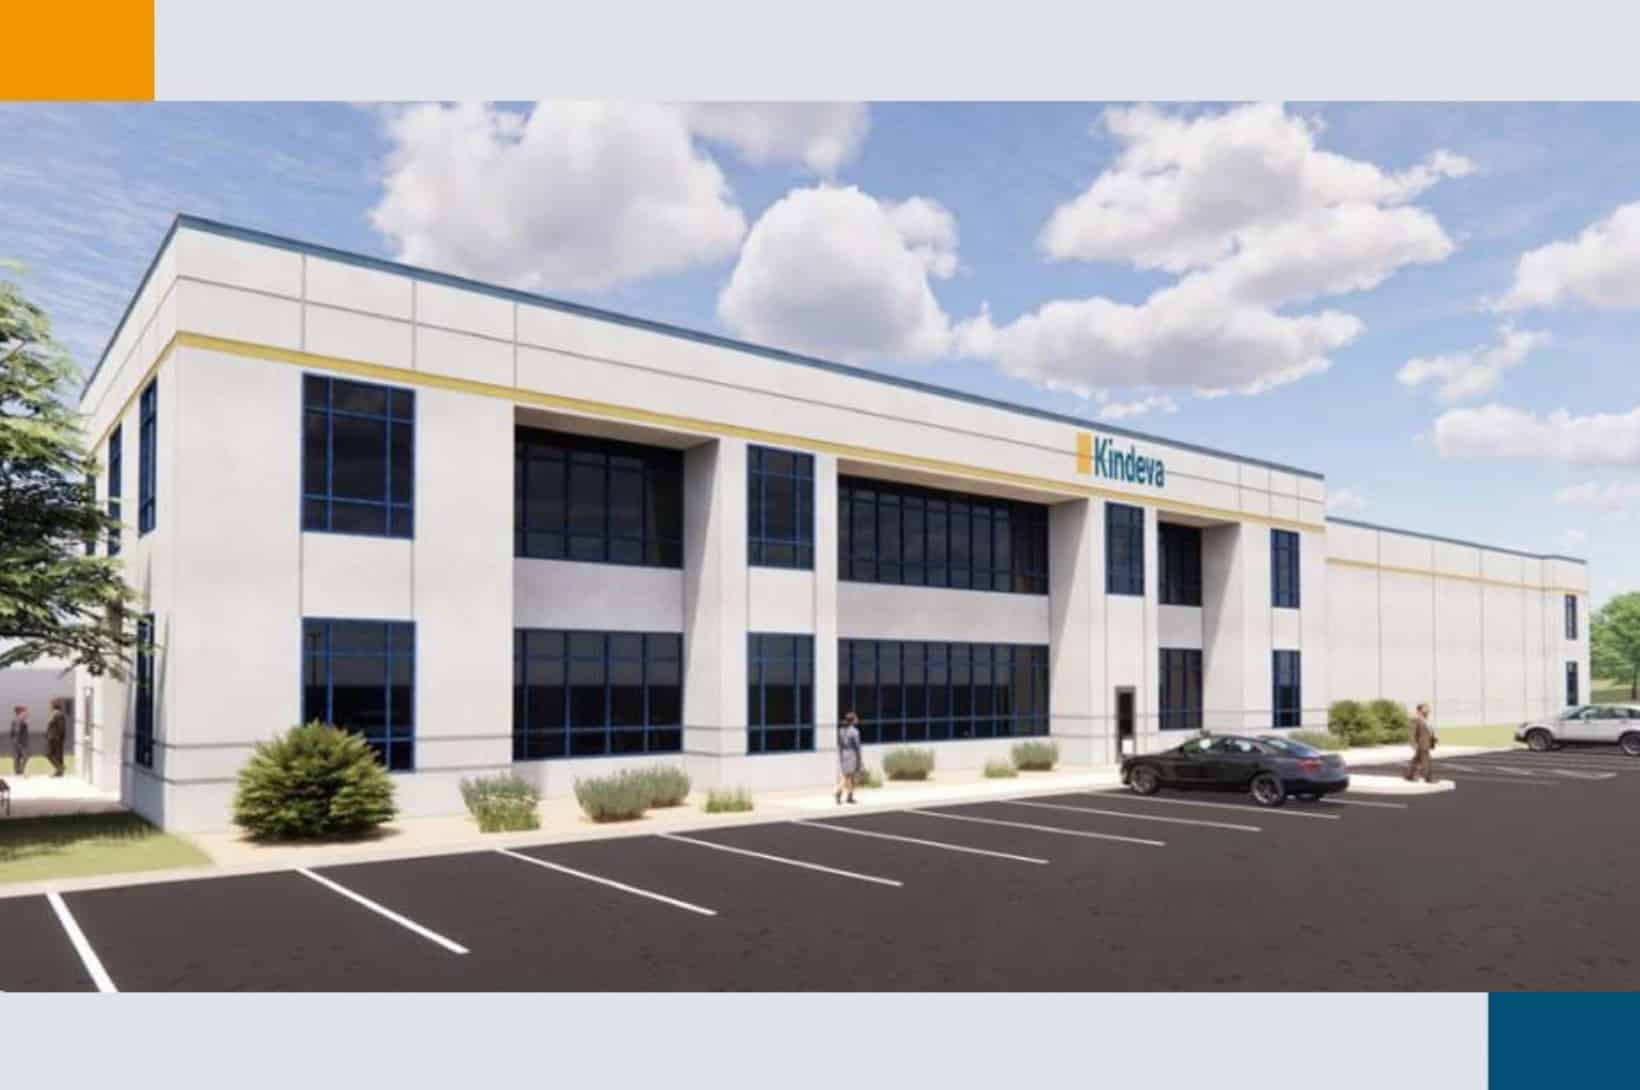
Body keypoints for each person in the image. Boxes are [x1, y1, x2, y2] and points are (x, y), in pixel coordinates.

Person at [835, 711, 864, 805]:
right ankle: (838, 792)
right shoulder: (854, 732)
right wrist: (860, 759)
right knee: (847, 776)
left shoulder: (841, 730)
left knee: (850, 777)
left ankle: (850, 796)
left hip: (844, 754)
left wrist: (841, 755)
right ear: (853, 720)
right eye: (856, 718)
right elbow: (857, 746)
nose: (857, 719)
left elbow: (839, 744)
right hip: (852, 754)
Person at [1406, 702, 1437, 783]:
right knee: (1426, 761)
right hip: (1421, 744)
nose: (1428, 710)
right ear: (1419, 710)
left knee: (1415, 761)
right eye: (1425, 708)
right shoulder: (1415, 719)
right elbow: (1412, 733)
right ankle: (1428, 778)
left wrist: (1434, 739)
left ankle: (1409, 775)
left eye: (1428, 709)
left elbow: (1429, 731)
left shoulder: (1426, 720)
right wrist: (1413, 744)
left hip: (1425, 743)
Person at [46, 697, 68, 778]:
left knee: (49, 754)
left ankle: (60, 768)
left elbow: (61, 728)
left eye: (50, 705)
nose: (49, 707)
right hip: (52, 737)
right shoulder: (54, 714)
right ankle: (59, 771)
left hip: (55, 738)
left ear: (54, 706)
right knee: (56, 755)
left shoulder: (58, 714)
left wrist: (58, 738)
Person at [8, 705, 28, 777]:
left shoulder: (17, 720)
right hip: (20, 742)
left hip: (18, 741)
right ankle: (19, 771)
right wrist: (17, 741)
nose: (26, 713)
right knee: (24, 756)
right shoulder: (19, 720)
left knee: (18, 757)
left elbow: (12, 732)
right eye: (25, 711)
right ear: (20, 712)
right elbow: (16, 731)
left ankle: (18, 772)